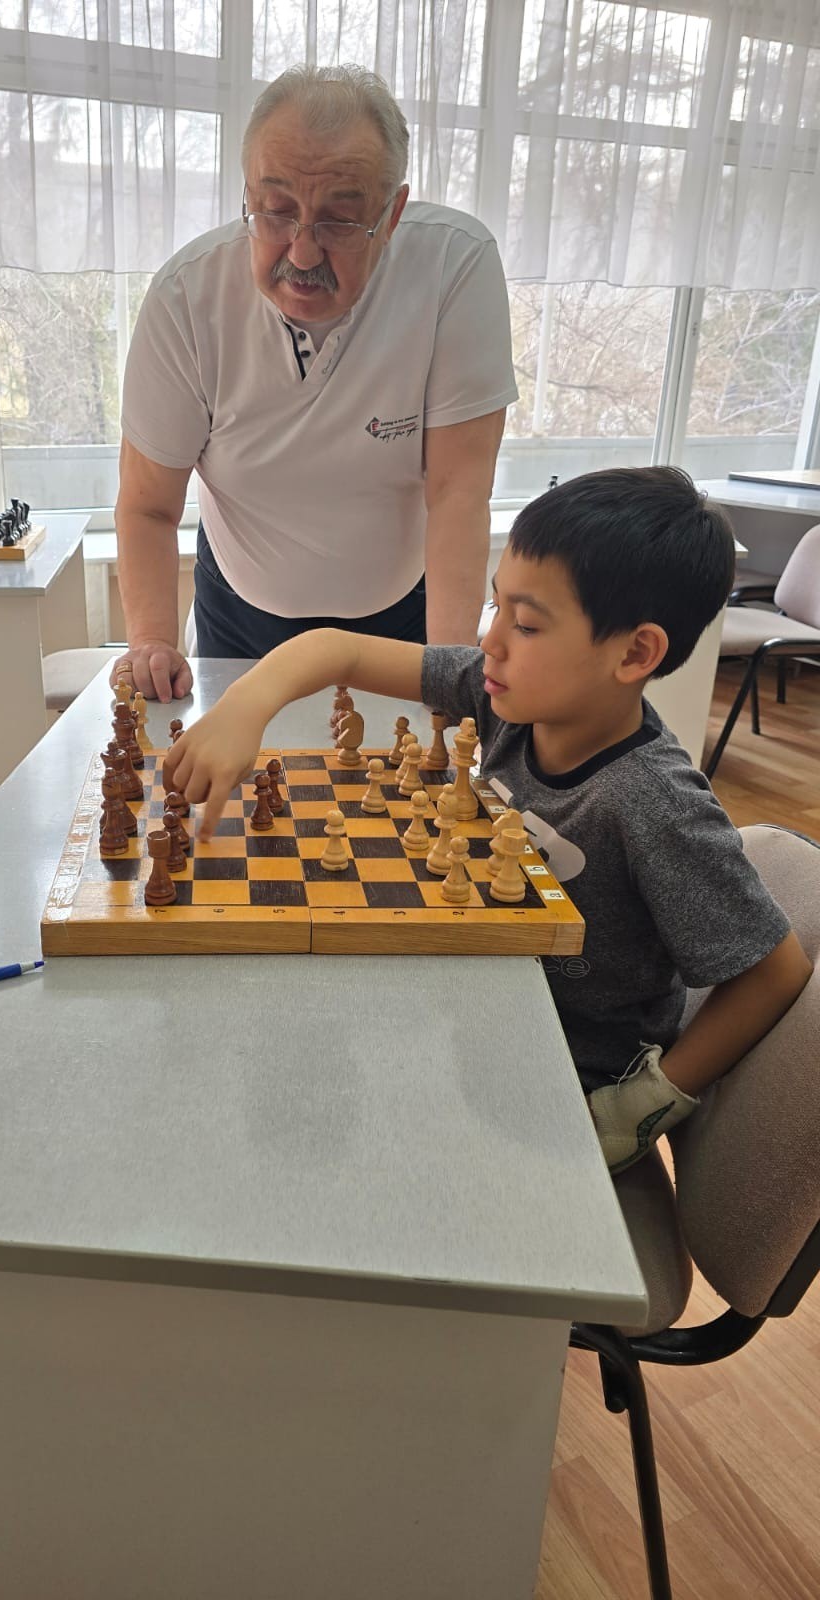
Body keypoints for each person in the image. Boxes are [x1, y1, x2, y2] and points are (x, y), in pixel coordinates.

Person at [163, 467, 813, 1171]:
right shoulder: (504, 697)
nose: (491, 640)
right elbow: (338, 648)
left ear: (634, 652)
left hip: (558, 1082)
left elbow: (774, 972)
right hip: (473, 1015)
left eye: (526, 624)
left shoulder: (654, 803)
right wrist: (246, 706)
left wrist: (645, 1105)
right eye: (496, 605)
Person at [113, 63, 517, 703]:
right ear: (246, 195)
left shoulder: (453, 265)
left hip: (401, 611)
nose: (301, 253)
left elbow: (458, 491)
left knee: (402, 763)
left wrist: (451, 676)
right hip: (240, 612)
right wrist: (152, 641)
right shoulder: (187, 295)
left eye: (338, 222)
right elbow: (148, 504)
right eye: (276, 212)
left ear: (392, 214)